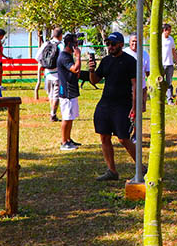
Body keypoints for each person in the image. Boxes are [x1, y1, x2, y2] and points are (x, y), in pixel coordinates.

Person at [88, 31, 139, 181]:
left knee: (123, 138)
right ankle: (112, 171)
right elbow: (95, 80)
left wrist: (135, 107)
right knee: (104, 136)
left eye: (113, 44)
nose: (110, 47)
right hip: (106, 104)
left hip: (122, 104)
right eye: (108, 44)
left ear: (121, 45)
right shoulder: (106, 61)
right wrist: (91, 69)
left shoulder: (130, 61)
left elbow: (135, 85)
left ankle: (141, 167)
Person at [56, 32, 82, 152]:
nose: (77, 46)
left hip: (72, 90)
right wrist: (78, 56)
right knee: (66, 117)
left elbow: (76, 72)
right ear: (70, 44)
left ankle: (68, 139)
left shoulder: (68, 56)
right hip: (66, 92)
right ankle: (63, 141)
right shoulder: (64, 56)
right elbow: (75, 68)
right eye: (76, 43)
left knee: (71, 117)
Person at [36, 27, 63, 120]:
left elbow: (37, 57)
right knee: (56, 95)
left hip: (47, 74)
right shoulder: (60, 46)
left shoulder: (46, 44)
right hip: (57, 75)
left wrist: (45, 64)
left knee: (50, 94)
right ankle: (53, 114)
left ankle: (52, 113)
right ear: (61, 35)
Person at [161, 24, 177, 104]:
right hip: (161, 64)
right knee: (160, 81)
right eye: (169, 30)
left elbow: (173, 51)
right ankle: (160, 98)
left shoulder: (171, 39)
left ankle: (169, 99)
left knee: (169, 82)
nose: (170, 32)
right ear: (164, 30)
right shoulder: (159, 39)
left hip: (170, 64)